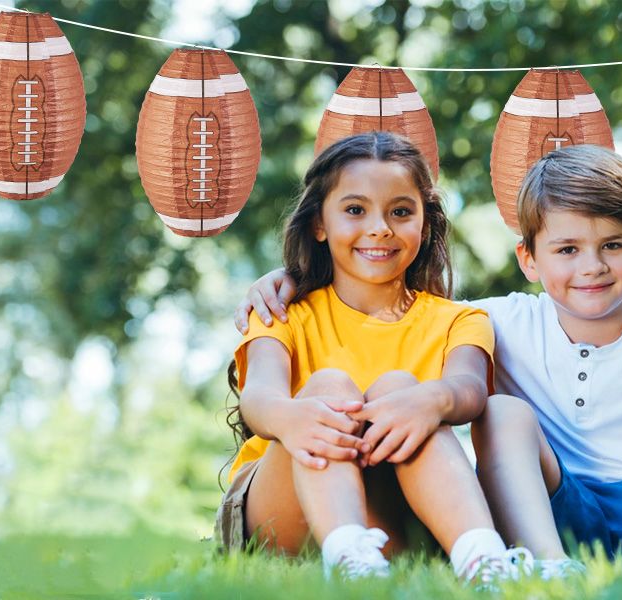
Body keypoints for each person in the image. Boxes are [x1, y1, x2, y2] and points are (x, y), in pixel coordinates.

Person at [236, 145, 622, 597]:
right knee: (503, 411)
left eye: (612, 245)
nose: (591, 267)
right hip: (561, 511)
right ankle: (546, 569)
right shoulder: (497, 321)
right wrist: (294, 277)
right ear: (529, 259)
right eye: (566, 249)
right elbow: (387, 301)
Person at [216, 132, 532, 585]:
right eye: (355, 210)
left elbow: (469, 389)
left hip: (395, 515)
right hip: (281, 514)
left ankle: (483, 560)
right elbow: (259, 398)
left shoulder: (460, 320)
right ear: (319, 224)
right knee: (328, 388)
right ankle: (348, 557)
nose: (380, 227)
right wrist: (292, 418)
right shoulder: (280, 313)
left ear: (425, 225)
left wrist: (432, 401)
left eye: (400, 212)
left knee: (401, 390)